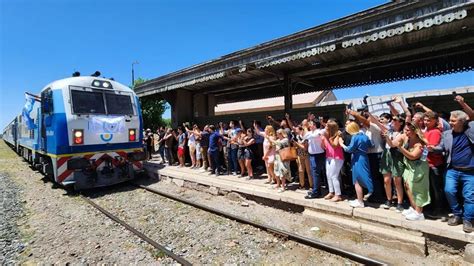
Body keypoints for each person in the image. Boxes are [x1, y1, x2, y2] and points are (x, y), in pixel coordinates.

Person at [430, 110, 474, 232]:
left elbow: (471, 115)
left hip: (470, 172)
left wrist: (462, 103)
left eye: (453, 120)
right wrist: (433, 148)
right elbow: (442, 147)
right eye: (450, 120)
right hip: (452, 170)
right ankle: (457, 214)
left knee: (470, 197)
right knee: (449, 191)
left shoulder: (470, 130)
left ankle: (468, 220)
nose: (450, 122)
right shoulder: (447, 133)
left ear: (462, 121)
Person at [396, 122, 430, 221]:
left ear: (414, 131)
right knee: (407, 186)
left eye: (408, 130)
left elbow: (413, 156)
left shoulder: (419, 143)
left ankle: (419, 213)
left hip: (418, 168)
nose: (405, 132)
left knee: (417, 189)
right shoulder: (408, 138)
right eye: (405, 130)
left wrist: (400, 148)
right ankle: (414, 207)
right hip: (409, 166)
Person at [338, 122, 373, 208]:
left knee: (356, 180)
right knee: (365, 175)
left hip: (357, 159)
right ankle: (362, 197)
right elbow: (371, 145)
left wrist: (341, 144)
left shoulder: (355, 137)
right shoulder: (364, 136)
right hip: (364, 158)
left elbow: (349, 149)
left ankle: (361, 201)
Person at [423, 111, 447, 217]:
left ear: (435, 121)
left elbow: (431, 147)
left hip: (434, 164)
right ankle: (433, 207)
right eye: (425, 120)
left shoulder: (435, 132)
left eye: (429, 120)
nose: (426, 122)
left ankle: (439, 209)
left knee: (437, 188)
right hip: (427, 163)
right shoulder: (426, 131)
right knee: (432, 188)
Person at [322, 121, 344, 202]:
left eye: (327, 126)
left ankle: (338, 195)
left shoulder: (337, 135)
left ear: (331, 128)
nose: (325, 127)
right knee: (328, 175)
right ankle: (331, 192)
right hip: (329, 157)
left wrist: (330, 139)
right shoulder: (328, 135)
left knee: (334, 176)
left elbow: (335, 145)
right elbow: (324, 146)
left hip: (337, 157)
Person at [304, 120, 326, 199]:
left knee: (316, 173)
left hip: (318, 155)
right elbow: (305, 136)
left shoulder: (319, 131)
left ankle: (316, 192)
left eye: (311, 124)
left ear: (315, 125)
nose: (309, 125)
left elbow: (311, 136)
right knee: (314, 173)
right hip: (312, 155)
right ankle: (316, 190)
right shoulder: (310, 133)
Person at [292, 126, 313, 190]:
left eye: (297, 129)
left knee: (308, 171)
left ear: (301, 130)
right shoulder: (297, 137)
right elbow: (296, 146)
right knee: (300, 171)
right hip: (299, 155)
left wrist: (297, 144)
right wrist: (294, 144)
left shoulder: (306, 137)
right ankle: (302, 185)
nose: (295, 131)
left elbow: (305, 148)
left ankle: (311, 185)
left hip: (306, 155)